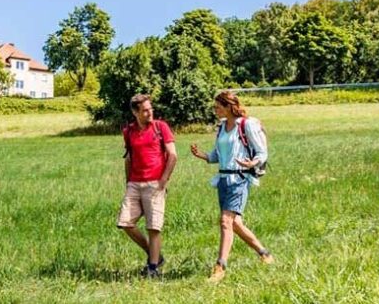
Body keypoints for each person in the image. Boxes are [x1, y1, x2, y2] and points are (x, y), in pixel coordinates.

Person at [189, 90, 274, 283]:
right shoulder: (221, 128)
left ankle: (220, 266)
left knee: (226, 221)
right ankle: (264, 253)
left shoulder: (246, 125)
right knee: (235, 224)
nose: (215, 110)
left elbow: (262, 153)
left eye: (218, 107)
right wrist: (201, 155)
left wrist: (252, 163)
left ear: (228, 106)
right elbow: (218, 156)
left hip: (239, 179)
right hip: (223, 181)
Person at [117, 94, 178, 278]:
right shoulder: (128, 131)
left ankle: (153, 268)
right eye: (145, 110)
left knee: (153, 227)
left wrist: (163, 181)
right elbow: (128, 158)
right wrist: (128, 183)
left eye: (150, 108)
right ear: (135, 112)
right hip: (134, 183)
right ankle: (156, 255)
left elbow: (173, 155)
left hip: (155, 184)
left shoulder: (161, 127)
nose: (149, 112)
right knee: (125, 222)